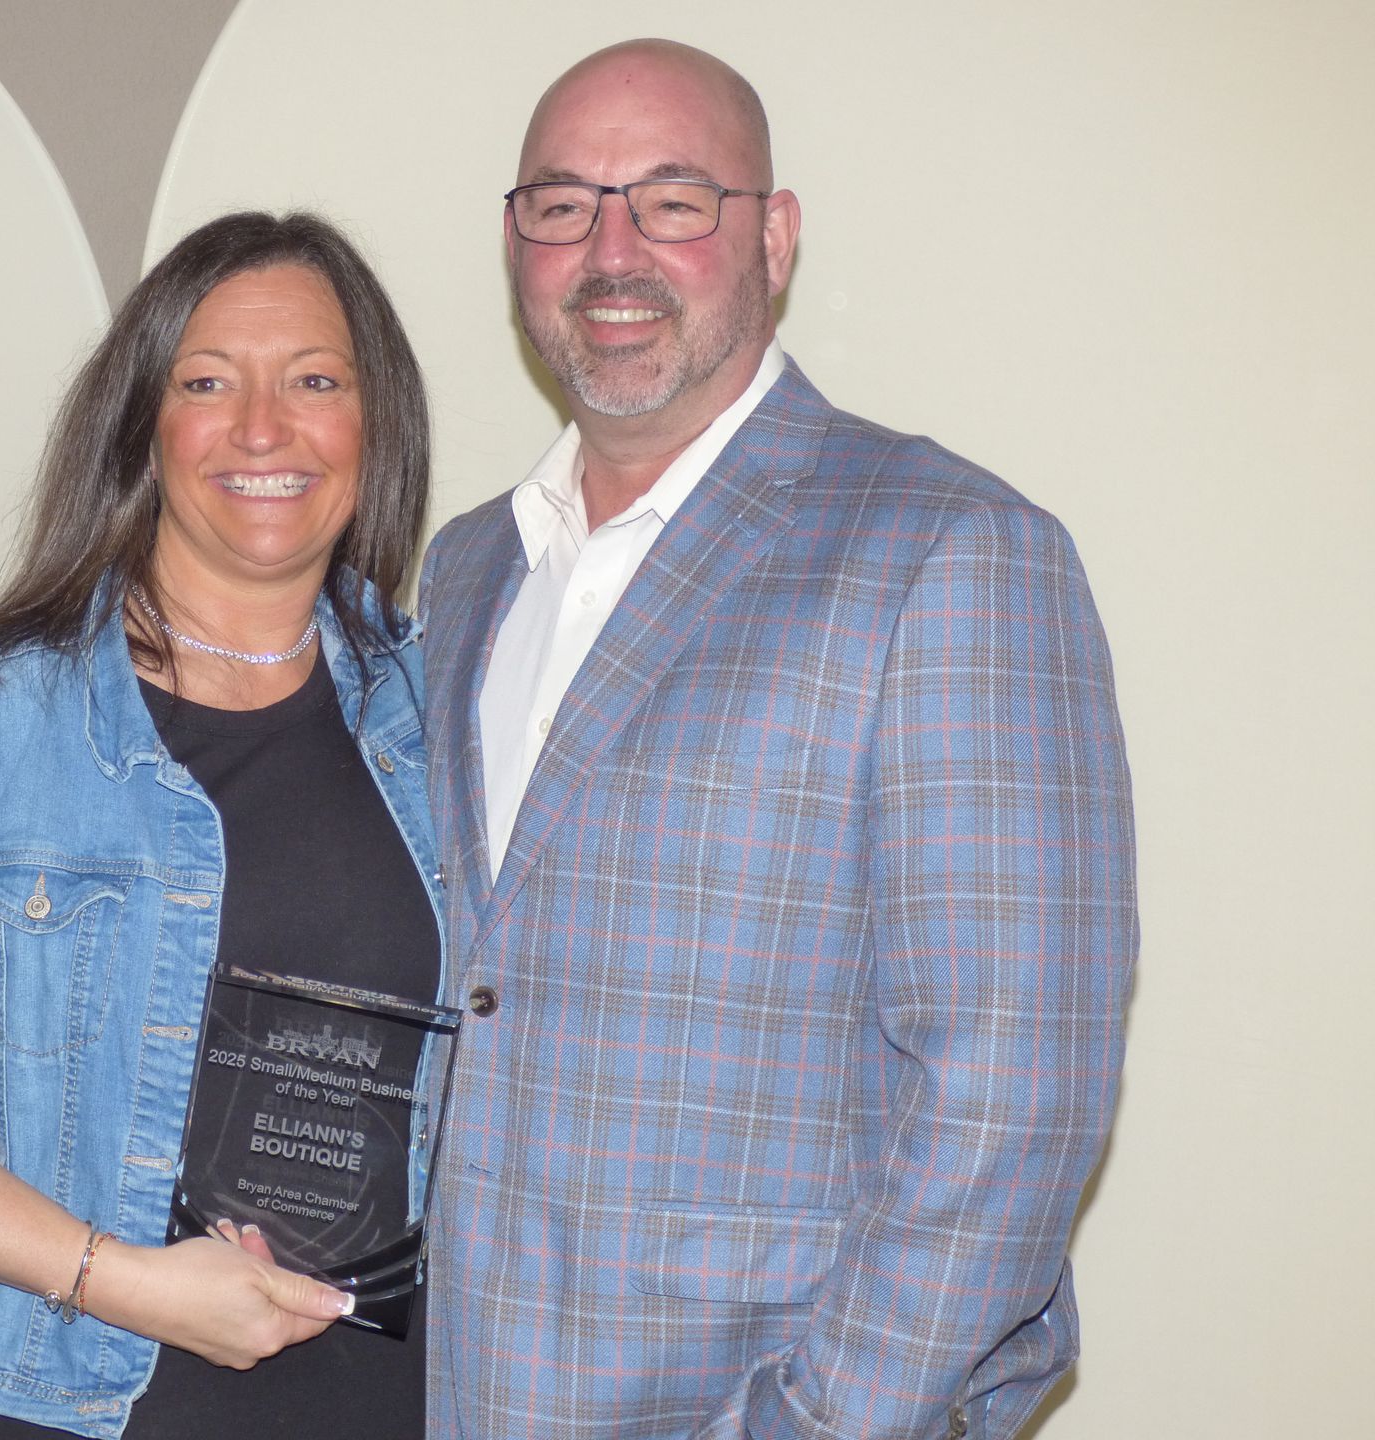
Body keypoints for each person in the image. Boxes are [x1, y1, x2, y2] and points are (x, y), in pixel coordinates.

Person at [418, 39, 1137, 1440]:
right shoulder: (463, 574)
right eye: (563, 204)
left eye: (675, 201)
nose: (611, 248)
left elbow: (1015, 1101)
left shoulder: (950, 551)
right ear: (516, 243)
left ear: (776, 237)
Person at [0, 211, 439, 1438]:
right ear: (145, 428)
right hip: (58, 1402)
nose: (263, 429)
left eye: (316, 382)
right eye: (208, 382)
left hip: (381, 1404)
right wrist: (130, 1287)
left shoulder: (451, 717)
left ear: (373, 424)